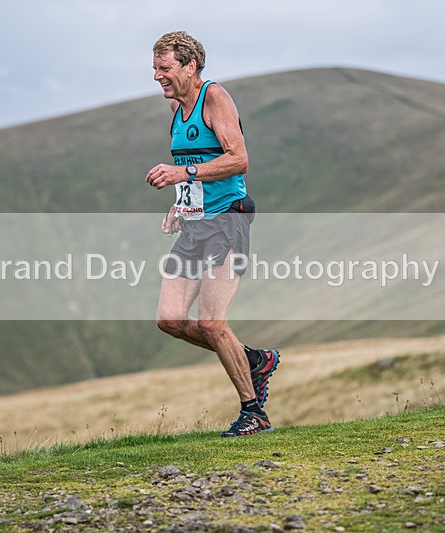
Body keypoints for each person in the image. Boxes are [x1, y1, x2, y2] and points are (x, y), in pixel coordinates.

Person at [145, 31, 280, 438]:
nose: (157, 77)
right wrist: (180, 203)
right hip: (196, 224)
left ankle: (253, 413)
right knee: (169, 319)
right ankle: (253, 360)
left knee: (211, 322)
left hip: (229, 221)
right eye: (154, 69)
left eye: (164, 68)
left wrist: (180, 173)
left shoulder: (215, 97)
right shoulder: (176, 107)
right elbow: (196, 168)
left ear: (190, 65)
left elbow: (238, 160)